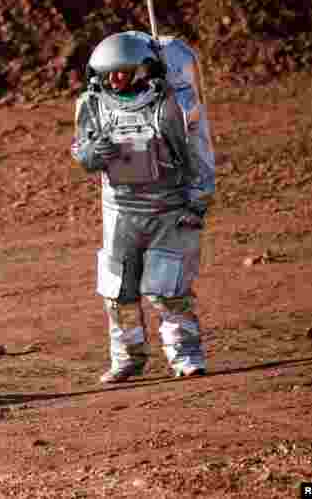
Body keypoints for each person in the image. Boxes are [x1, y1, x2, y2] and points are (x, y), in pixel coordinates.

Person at [71, 31, 216, 384]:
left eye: (123, 71)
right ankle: (127, 358)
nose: (115, 79)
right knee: (117, 292)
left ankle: (185, 356)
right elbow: (81, 150)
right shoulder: (93, 104)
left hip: (168, 210)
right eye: (109, 73)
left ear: (143, 68)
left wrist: (197, 203)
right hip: (120, 211)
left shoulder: (171, 106)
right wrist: (92, 155)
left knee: (167, 290)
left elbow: (198, 155)